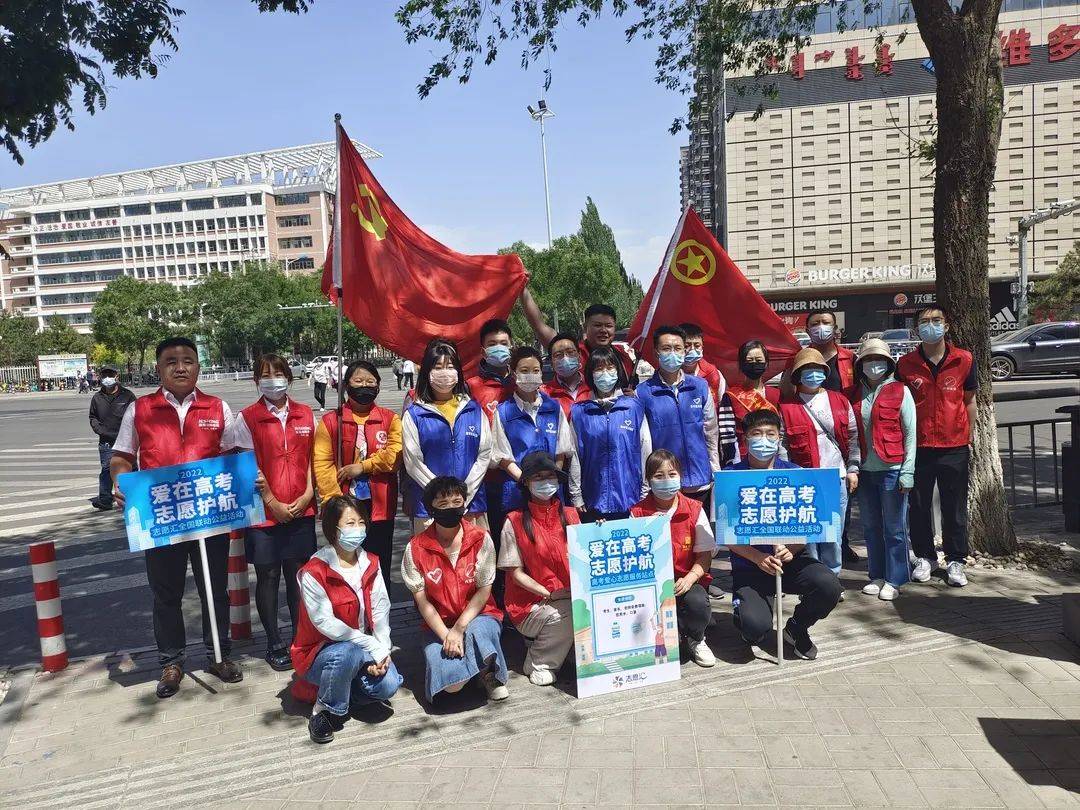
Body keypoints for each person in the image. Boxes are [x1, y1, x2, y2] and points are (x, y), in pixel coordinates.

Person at [110, 336, 243, 698]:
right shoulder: (141, 410)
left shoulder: (218, 408)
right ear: (159, 368)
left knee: (215, 590)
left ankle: (219, 655)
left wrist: (247, 481)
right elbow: (123, 456)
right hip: (162, 518)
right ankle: (171, 662)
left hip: (208, 516)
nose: (181, 367)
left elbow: (233, 456)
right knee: (166, 594)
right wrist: (121, 484)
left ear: (199, 366)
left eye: (188, 360)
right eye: (172, 361)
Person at [725, 410, 842, 660]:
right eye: (756, 434)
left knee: (828, 585)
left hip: (790, 561)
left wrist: (793, 547)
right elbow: (726, 534)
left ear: (780, 439)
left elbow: (811, 524)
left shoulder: (796, 474)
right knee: (755, 627)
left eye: (770, 434)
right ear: (745, 440)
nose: (763, 440)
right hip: (751, 565)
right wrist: (757, 557)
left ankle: (797, 628)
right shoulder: (731, 477)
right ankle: (750, 622)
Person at [291, 495, 402, 744]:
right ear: (333, 529)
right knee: (346, 654)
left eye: (361, 522)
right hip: (321, 653)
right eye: (350, 523)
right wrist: (369, 648)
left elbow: (381, 607)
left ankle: (340, 689)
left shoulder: (370, 562)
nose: (358, 529)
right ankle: (325, 710)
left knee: (388, 685)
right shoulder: (314, 571)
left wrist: (382, 649)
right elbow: (325, 623)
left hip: (361, 648)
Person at [232, 353, 317, 671]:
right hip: (264, 512)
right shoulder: (247, 418)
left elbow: (312, 459)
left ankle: (300, 638)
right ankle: (273, 641)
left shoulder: (306, 414)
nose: (273, 380)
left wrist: (309, 493)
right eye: (265, 375)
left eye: (278, 374)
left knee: (298, 575)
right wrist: (272, 502)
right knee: (267, 575)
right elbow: (247, 467)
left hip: (301, 508)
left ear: (289, 378)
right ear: (256, 381)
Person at [401, 476, 509, 703]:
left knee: (480, 631)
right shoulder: (416, 548)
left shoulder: (481, 539)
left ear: (464, 504)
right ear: (430, 508)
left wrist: (459, 629)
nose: (451, 507)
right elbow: (423, 602)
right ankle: (468, 671)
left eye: (456, 501)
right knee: (452, 687)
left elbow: (483, 590)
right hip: (439, 623)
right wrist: (446, 635)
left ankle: (489, 675)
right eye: (443, 504)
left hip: (479, 615)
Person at [896, 305, 977, 588]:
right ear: (916, 328)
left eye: (936, 320)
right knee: (918, 506)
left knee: (954, 506)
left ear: (947, 324)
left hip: (954, 445)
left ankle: (955, 559)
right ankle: (925, 557)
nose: (931, 325)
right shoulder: (905, 364)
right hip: (919, 447)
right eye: (924, 321)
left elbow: (969, 401)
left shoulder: (964, 360)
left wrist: (969, 437)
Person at [313, 360, 402, 588]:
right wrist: (335, 502)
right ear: (346, 386)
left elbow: (395, 455)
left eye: (371, 381)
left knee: (379, 562)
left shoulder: (390, 419)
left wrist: (364, 466)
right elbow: (323, 463)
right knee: (346, 565)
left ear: (379, 386)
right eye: (359, 381)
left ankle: (381, 615)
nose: (365, 386)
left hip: (380, 505)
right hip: (344, 503)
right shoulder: (332, 421)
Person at [778, 348, 860, 580]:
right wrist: (789, 476)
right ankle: (814, 579)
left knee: (833, 532)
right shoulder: (787, 407)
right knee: (810, 534)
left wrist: (853, 468)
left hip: (836, 477)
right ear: (797, 375)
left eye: (817, 369)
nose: (813, 374)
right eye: (807, 370)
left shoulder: (839, 400)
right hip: (804, 479)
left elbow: (853, 437)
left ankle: (833, 577)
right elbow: (782, 445)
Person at [497, 451, 579, 686]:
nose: (546, 482)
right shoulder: (513, 521)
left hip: (569, 595)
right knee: (570, 613)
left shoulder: (571, 515)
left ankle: (563, 650)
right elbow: (515, 573)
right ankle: (539, 662)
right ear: (526, 483)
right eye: (538, 477)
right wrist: (547, 593)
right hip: (532, 603)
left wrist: (597, 533)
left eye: (550, 476)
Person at [629, 450, 716, 667]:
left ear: (680, 476)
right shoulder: (637, 512)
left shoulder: (694, 509)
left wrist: (689, 579)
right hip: (649, 585)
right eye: (659, 476)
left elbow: (704, 556)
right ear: (648, 480)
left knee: (698, 604)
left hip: (684, 581)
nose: (666, 480)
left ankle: (696, 638)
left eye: (672, 473)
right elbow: (627, 554)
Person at [402, 339, 492, 531]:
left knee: (475, 559)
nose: (445, 372)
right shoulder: (415, 414)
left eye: (450, 366)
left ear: (458, 372)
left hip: (471, 505)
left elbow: (484, 454)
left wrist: (463, 494)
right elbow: (413, 462)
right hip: (430, 509)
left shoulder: (474, 410)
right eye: (438, 367)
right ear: (427, 372)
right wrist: (441, 496)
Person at [853, 338, 917, 601]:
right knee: (870, 526)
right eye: (868, 360)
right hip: (865, 469)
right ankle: (876, 575)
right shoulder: (855, 394)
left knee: (894, 527)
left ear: (889, 363)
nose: (874, 365)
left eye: (879, 360)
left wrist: (908, 471)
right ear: (861, 365)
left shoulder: (901, 391)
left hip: (893, 468)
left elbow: (911, 433)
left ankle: (896, 578)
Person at [635, 326, 721, 513]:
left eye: (678, 348)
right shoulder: (642, 393)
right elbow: (643, 443)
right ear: (656, 352)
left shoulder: (699, 386)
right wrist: (647, 482)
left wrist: (715, 470)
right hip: (664, 483)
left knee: (699, 536)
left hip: (700, 479)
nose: (673, 353)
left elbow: (711, 432)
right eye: (666, 348)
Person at [491, 346, 576, 528]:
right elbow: (503, 457)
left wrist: (549, 479)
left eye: (535, 371)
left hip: (551, 491)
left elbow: (561, 451)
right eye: (524, 371)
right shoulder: (504, 412)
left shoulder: (553, 408)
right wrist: (527, 482)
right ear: (514, 374)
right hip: (517, 492)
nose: (531, 375)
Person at [567, 345, 651, 521]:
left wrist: (645, 489)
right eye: (599, 368)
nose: (605, 373)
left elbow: (645, 449)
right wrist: (576, 494)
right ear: (590, 373)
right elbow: (574, 455)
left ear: (618, 371)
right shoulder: (579, 412)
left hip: (630, 496)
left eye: (610, 367)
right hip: (592, 498)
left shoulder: (634, 407)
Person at [466, 318, 516, 546]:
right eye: (493, 343)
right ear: (483, 350)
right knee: (493, 544)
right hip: (487, 481)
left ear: (511, 346)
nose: (499, 347)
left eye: (504, 342)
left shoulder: (524, 380)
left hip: (523, 478)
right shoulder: (471, 387)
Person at [519, 289, 636, 382]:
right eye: (597, 325)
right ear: (585, 327)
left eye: (608, 326)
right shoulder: (572, 352)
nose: (603, 330)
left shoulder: (623, 356)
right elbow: (539, 326)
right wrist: (523, 289)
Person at [680, 322, 739, 464]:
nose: (692, 350)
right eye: (687, 345)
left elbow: (723, 408)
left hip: (708, 441)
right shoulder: (668, 375)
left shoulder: (714, 375)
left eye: (697, 345)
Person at [88, 363, 136, 511]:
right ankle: (105, 499)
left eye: (110, 375)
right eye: (105, 375)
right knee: (107, 469)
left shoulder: (127, 395)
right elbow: (93, 417)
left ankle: (135, 495)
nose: (107, 378)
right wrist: (100, 430)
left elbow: (137, 413)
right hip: (106, 441)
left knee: (132, 468)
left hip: (126, 438)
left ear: (116, 376)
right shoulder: (97, 398)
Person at [724, 340, 783, 460]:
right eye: (749, 361)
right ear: (741, 365)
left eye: (759, 361)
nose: (754, 364)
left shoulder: (776, 395)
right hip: (742, 458)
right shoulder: (730, 396)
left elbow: (782, 432)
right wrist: (732, 461)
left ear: (766, 364)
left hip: (773, 457)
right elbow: (727, 435)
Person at [541, 331, 592, 417]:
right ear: (551, 362)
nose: (565, 358)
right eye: (558, 355)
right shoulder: (544, 393)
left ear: (579, 356)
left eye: (570, 352)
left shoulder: (593, 386)